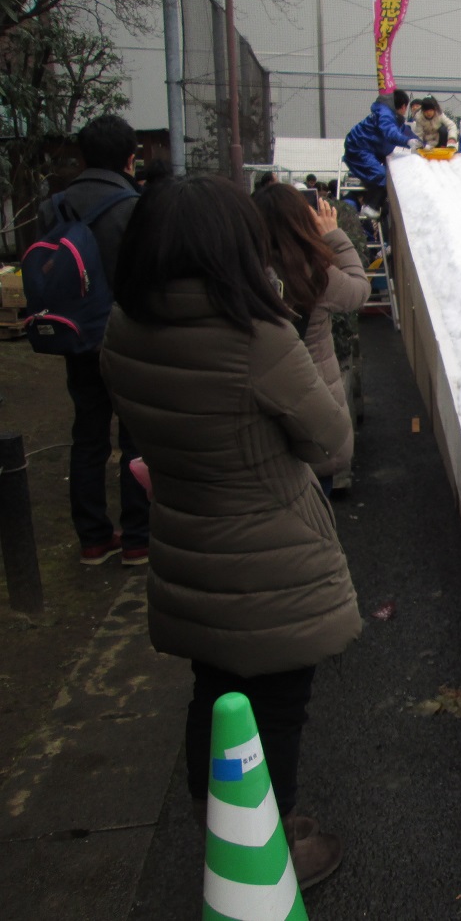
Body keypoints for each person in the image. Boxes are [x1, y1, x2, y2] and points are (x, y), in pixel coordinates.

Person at [101, 174, 360, 887]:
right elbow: (332, 442)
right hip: (272, 557)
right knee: (276, 706)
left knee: (213, 691)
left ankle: (221, 825)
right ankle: (265, 854)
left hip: (186, 547)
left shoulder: (125, 328)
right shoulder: (256, 337)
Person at [42, 114, 149, 566]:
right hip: (127, 336)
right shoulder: (135, 207)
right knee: (136, 437)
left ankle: (93, 538)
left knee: (87, 436)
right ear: (129, 158)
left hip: (75, 335)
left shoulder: (55, 206)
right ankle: (139, 539)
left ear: (83, 156)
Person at [252, 183, 370, 495]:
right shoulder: (316, 272)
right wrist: (333, 236)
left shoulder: (245, 272)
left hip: (260, 420)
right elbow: (359, 290)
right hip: (313, 415)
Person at [342, 89, 420, 217]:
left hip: (369, 147)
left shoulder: (392, 117)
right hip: (359, 148)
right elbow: (391, 133)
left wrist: (421, 144)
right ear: (403, 106)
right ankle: (371, 205)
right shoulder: (386, 115)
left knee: (386, 174)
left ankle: (376, 205)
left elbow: (404, 131)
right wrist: (408, 141)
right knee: (381, 175)